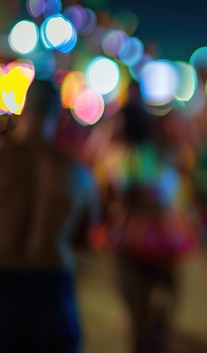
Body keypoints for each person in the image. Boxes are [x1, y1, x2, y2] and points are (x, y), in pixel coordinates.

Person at [91, 87, 197, 353]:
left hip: (130, 236)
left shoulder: (117, 158)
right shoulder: (164, 155)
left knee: (137, 306)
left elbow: (106, 198)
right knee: (166, 293)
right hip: (163, 234)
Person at [0, 79, 101, 353]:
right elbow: (85, 238)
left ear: (23, 108)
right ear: (57, 114)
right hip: (53, 285)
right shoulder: (79, 175)